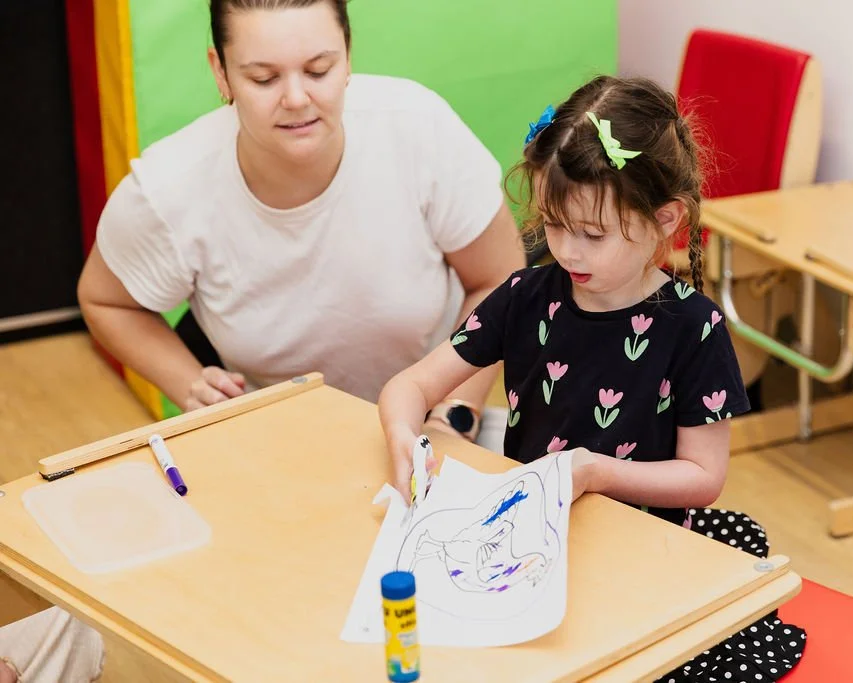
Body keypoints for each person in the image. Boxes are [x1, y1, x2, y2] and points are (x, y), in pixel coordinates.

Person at [378, 75, 806, 682]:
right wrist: (405, 436)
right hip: (528, 547)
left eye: (593, 235)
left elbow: (704, 477)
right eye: (554, 226)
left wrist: (597, 471)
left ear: (664, 219)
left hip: (638, 551)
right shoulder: (526, 295)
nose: (567, 251)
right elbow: (411, 386)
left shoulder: (694, 327)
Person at [77, 0, 525, 447]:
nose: (295, 99)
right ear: (221, 72)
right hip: (274, 440)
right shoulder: (170, 189)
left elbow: (498, 282)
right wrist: (190, 383)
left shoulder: (418, 130)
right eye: (263, 78)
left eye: (318, 71)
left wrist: (450, 418)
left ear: (348, 57)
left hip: (433, 419)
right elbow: (106, 301)